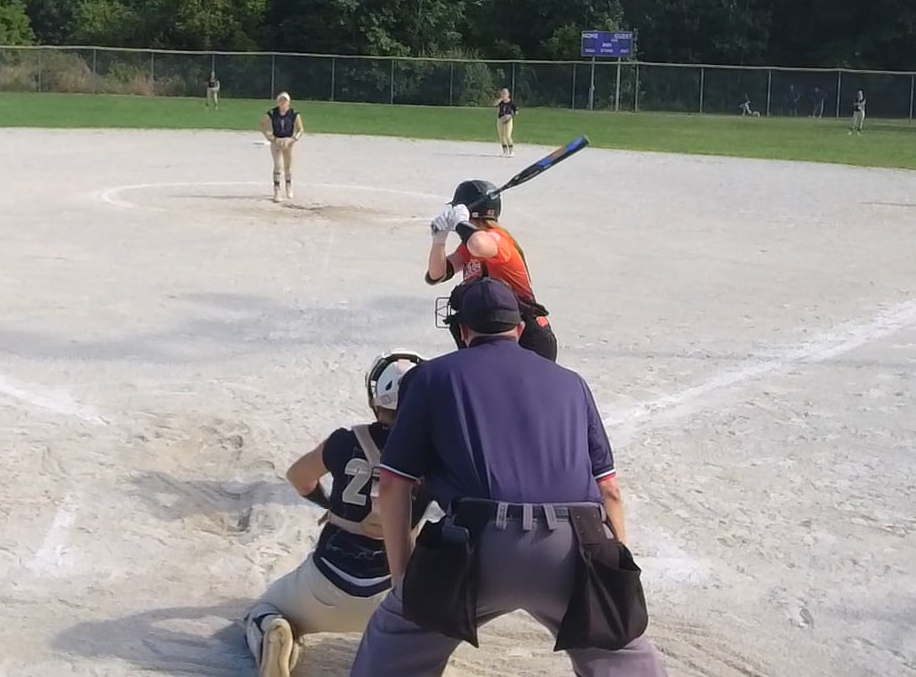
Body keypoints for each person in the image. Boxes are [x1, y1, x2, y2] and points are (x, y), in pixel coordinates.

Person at [349, 279, 668, 677]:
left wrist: (404, 583)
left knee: (396, 639)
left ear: (463, 331)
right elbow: (610, 490)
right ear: (518, 328)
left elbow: (394, 483)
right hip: (574, 545)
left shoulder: (431, 376)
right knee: (621, 654)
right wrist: (612, 578)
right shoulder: (572, 382)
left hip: (477, 545)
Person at [244, 352, 432, 677]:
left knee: (263, 610)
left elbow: (299, 477)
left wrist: (330, 504)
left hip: (324, 582)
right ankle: (406, 654)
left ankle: (276, 633)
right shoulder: (434, 452)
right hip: (391, 590)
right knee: (429, 628)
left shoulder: (345, 441)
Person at [426, 181, 558, 361]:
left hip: (525, 336)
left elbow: (479, 245)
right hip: (495, 333)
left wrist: (460, 223)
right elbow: (436, 274)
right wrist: (439, 241)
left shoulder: (496, 239)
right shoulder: (468, 247)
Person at [258, 92, 304, 202]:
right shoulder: (273, 113)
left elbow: (301, 129)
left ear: (288, 102)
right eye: (281, 101)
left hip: (288, 142)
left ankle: (288, 186)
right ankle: (277, 190)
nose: (283, 103)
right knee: (278, 165)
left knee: (288, 166)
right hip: (277, 141)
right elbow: (262, 124)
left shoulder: (294, 114)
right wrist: (270, 137)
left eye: (285, 101)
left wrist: (294, 139)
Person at [494, 88, 518, 156]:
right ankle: (504, 151)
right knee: (501, 136)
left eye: (505, 93)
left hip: (508, 120)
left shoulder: (511, 103)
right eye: (502, 94)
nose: (503, 95)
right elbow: (494, 104)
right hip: (500, 119)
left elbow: (516, 111)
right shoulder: (500, 102)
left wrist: (510, 116)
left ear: (508, 94)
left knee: (507, 135)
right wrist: (500, 99)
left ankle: (511, 151)